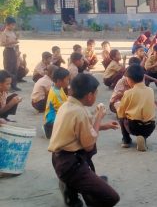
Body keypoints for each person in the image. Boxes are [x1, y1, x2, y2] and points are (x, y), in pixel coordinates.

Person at [48, 73, 120, 207]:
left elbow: (81, 130)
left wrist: (104, 126)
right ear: (89, 95)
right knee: (111, 197)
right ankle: (72, 185)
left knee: (99, 182)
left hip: (58, 159)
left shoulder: (67, 106)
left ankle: (71, 186)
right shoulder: (80, 112)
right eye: (96, 94)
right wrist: (99, 117)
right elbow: (89, 145)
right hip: (70, 165)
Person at [117, 64, 156, 151]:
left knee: (120, 115)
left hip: (134, 126)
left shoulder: (128, 93)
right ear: (143, 78)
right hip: (150, 126)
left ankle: (126, 140)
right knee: (146, 120)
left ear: (129, 80)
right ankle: (143, 138)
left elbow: (121, 112)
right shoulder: (151, 91)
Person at [44, 68, 70, 139]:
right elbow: (62, 108)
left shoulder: (58, 88)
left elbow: (65, 100)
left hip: (56, 116)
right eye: (67, 79)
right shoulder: (55, 93)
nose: (68, 82)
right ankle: (50, 129)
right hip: (52, 120)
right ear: (59, 81)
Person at [0, 16, 20, 91]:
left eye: (14, 25)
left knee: (14, 68)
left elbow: (15, 41)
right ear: (7, 24)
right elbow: (2, 44)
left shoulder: (12, 32)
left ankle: (14, 85)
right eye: (12, 25)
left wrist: (17, 38)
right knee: (8, 69)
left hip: (13, 50)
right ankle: (8, 86)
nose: (13, 26)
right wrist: (13, 42)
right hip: (8, 51)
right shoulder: (4, 33)